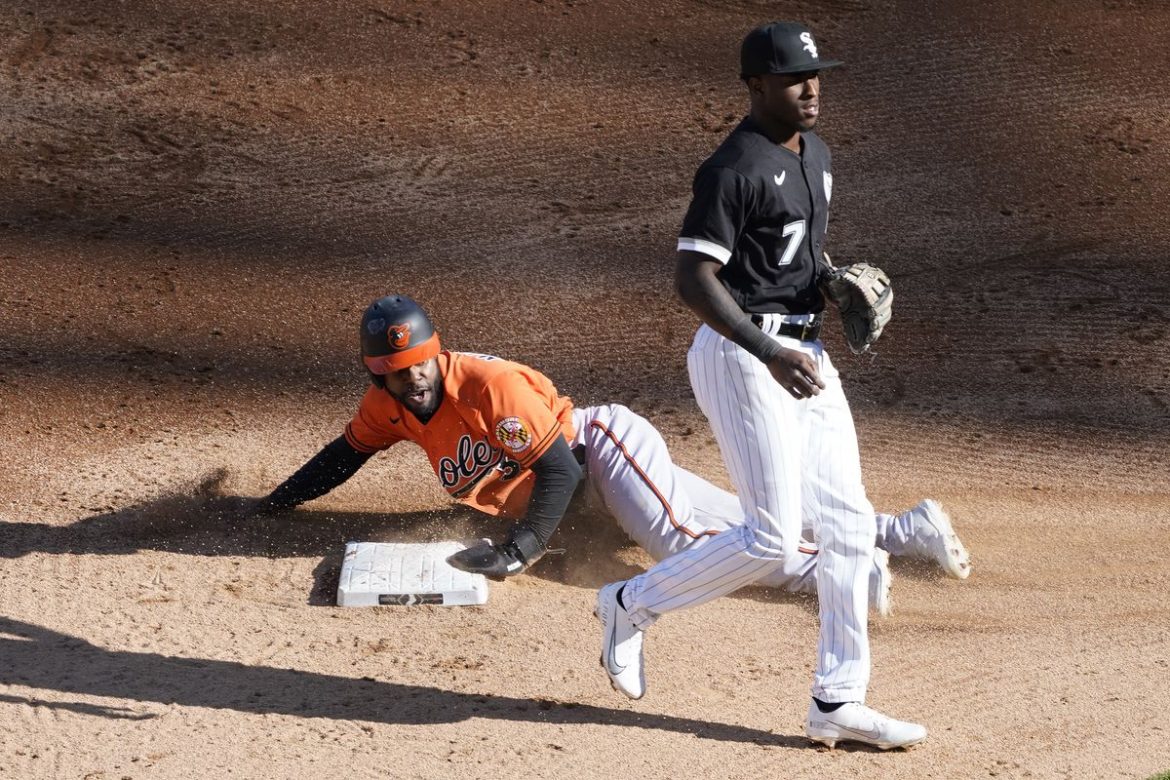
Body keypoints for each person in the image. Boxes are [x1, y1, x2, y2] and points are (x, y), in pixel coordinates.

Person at [594, 22, 941, 750]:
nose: (810, 89)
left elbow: (791, 260)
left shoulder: (818, 157)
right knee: (774, 539)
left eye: (816, 75)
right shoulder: (731, 169)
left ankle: (838, 700)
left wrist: (828, 282)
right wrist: (764, 349)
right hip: (739, 352)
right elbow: (694, 279)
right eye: (792, 78)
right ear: (756, 85)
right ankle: (630, 604)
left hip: (803, 352)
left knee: (848, 526)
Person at [253, 295, 968, 613]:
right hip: (588, 487)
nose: (410, 380)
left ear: (437, 354)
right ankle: (908, 531)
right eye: (394, 371)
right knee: (755, 516)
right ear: (376, 374)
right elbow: (342, 456)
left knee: (688, 544)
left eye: (419, 366)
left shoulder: (489, 387)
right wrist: (273, 503)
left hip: (602, 455)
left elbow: (559, 468)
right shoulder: (388, 407)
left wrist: (521, 549)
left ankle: (842, 578)